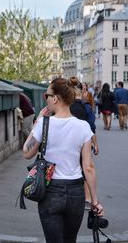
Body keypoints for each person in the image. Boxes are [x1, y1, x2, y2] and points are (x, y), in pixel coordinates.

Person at [23, 77, 104, 243]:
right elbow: (88, 166)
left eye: (47, 95)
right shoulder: (83, 127)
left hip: (50, 191)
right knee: (70, 240)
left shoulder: (44, 124)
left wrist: (38, 120)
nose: (46, 98)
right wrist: (94, 201)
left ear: (55, 98)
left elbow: (27, 152)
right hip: (76, 192)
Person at [69, 77, 99, 210]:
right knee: (86, 167)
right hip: (83, 142)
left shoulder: (65, 107)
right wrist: (94, 143)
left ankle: (69, 196)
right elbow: (91, 126)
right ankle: (87, 198)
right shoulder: (85, 106)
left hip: (68, 142)